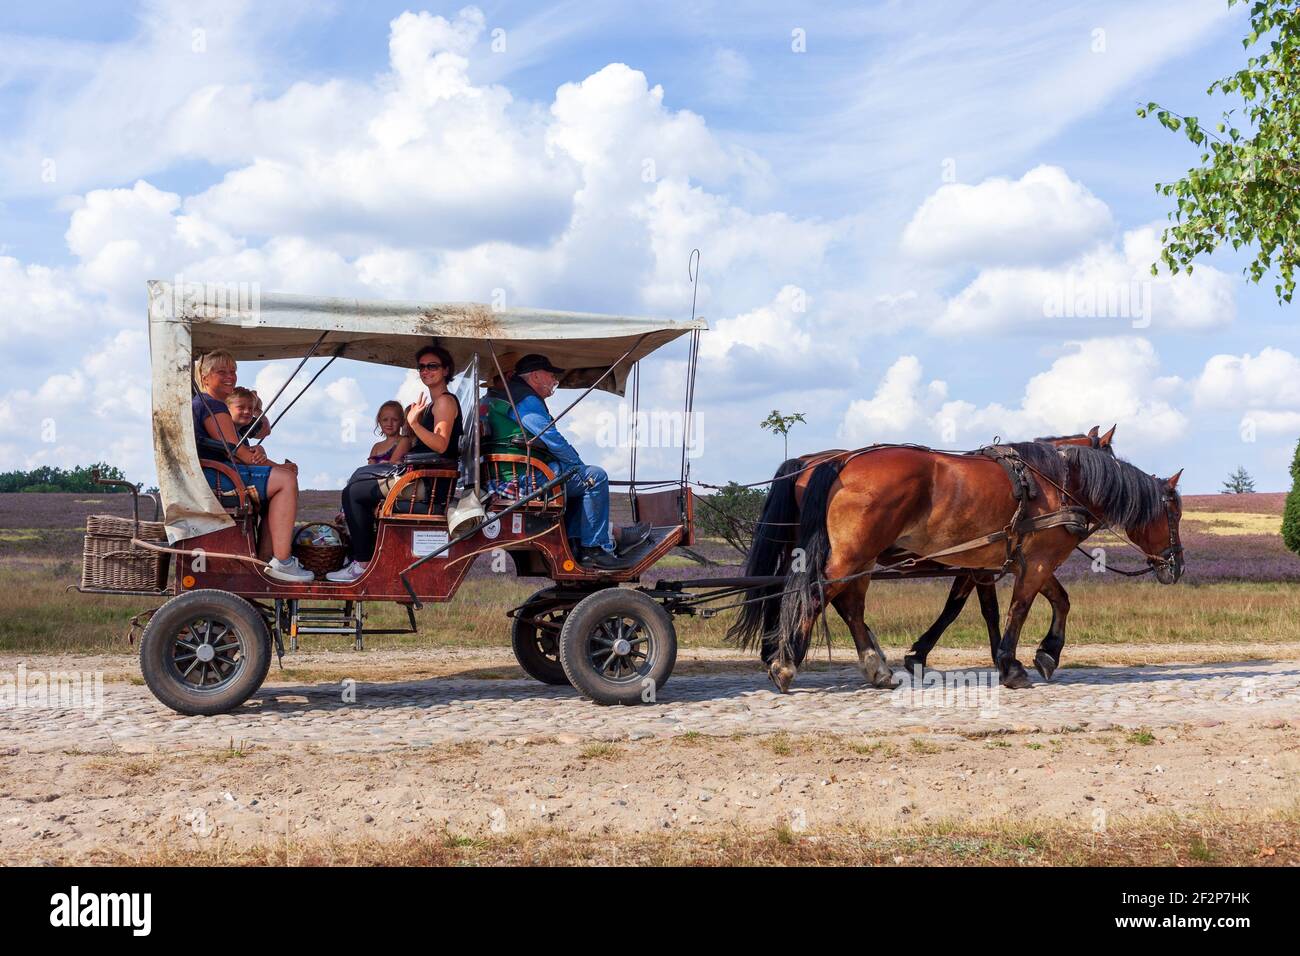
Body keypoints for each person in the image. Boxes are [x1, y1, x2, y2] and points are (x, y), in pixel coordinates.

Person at [327, 345, 464, 583]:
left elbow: (441, 445)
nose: (425, 371)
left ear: (445, 370)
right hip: (421, 477)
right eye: (421, 367)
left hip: (429, 485)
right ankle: (362, 556)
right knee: (360, 478)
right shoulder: (432, 404)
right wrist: (414, 424)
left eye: (432, 366)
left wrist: (414, 422)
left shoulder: (444, 402)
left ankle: (362, 562)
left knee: (355, 493)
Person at [500, 354, 648, 570]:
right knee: (594, 477)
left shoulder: (509, 396)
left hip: (518, 473)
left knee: (578, 478)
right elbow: (553, 440)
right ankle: (594, 549)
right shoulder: (527, 401)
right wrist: (577, 467)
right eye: (550, 375)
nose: (554, 380)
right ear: (535, 376)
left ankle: (578, 544)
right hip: (528, 478)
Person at [192, 350, 313, 583]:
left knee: (279, 483)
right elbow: (236, 453)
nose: (230, 377)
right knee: (286, 481)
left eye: (233, 371)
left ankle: (267, 560)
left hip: (216, 473)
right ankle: (283, 561)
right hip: (220, 477)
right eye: (222, 372)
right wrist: (277, 466)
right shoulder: (212, 406)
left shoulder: (207, 404)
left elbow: (243, 445)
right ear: (205, 378)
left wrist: (263, 458)